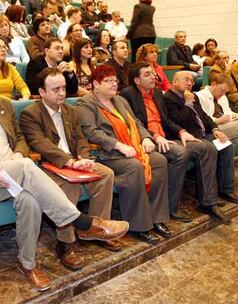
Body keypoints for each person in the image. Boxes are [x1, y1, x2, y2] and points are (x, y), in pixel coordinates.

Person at [0, 66, 129, 290]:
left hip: (16, 172)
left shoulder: (1, 105)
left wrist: (18, 156)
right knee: (26, 166)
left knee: (28, 200)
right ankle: (83, 222)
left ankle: (27, 264)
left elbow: (19, 138)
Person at [19, 67, 121, 252]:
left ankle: (95, 230)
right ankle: (66, 242)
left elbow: (81, 138)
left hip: (75, 161)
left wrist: (85, 158)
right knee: (69, 184)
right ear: (42, 92)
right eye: (55, 89)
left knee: (106, 174)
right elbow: (40, 144)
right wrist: (70, 162)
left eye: (63, 88)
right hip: (48, 166)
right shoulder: (30, 114)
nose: (62, 93)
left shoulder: (71, 111)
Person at [77, 64, 172, 244]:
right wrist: (118, 145)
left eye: (115, 80)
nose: (114, 84)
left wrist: (144, 138)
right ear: (96, 84)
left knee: (159, 160)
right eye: (108, 81)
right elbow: (92, 132)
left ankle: (156, 217)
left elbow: (135, 122)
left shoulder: (119, 100)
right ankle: (140, 225)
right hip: (107, 154)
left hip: (132, 147)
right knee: (134, 166)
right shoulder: (86, 103)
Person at [120, 63, 222, 223]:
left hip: (167, 137)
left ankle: (208, 202)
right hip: (148, 140)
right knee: (181, 153)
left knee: (206, 147)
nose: (153, 76)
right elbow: (134, 123)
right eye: (147, 74)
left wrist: (182, 132)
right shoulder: (128, 94)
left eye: (153, 73)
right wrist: (154, 136)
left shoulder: (158, 93)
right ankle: (170, 206)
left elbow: (166, 121)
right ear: (137, 80)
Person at [164, 71, 238, 220]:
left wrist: (216, 130)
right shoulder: (169, 98)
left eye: (191, 80)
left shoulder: (191, 96)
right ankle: (208, 202)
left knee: (226, 145)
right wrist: (187, 103)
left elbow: (204, 116)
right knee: (208, 149)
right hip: (185, 137)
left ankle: (225, 189)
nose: (190, 83)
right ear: (174, 81)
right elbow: (178, 121)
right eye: (186, 80)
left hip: (203, 134)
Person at [196, 73, 238, 141]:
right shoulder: (199, 96)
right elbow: (202, 118)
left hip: (227, 124)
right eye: (222, 90)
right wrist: (216, 120)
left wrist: (234, 115)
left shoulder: (223, 96)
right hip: (213, 128)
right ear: (214, 84)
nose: (223, 94)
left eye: (226, 92)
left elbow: (228, 112)